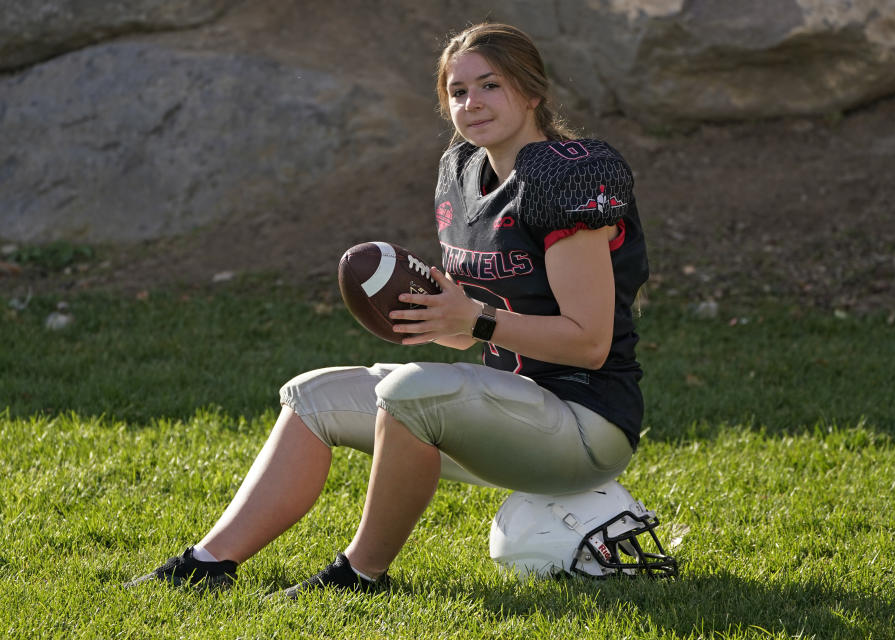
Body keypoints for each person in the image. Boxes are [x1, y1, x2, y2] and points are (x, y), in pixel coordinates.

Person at [125, 22, 654, 596]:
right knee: (311, 395)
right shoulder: (463, 173)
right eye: (457, 92)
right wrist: (437, 318)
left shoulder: (563, 174)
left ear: (531, 92)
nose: (472, 103)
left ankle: (360, 573)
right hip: (506, 412)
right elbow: (468, 331)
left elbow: (589, 341)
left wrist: (473, 321)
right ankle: (208, 563)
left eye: (490, 86)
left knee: (409, 394)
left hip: (584, 425)